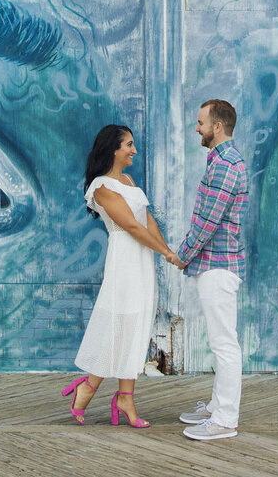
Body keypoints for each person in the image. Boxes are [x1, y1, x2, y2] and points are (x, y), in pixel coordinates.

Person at [62, 124, 184, 427]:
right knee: (119, 324)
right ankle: (88, 387)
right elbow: (130, 226)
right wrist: (166, 254)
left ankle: (126, 397)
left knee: (137, 324)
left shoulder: (128, 180)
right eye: (129, 145)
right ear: (114, 149)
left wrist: (167, 251)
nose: (134, 150)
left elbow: (147, 220)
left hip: (142, 259)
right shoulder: (101, 188)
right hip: (125, 261)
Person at [175, 99, 248, 441]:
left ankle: (225, 421)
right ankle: (217, 406)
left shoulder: (225, 166)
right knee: (221, 341)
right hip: (215, 263)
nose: (197, 128)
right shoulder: (221, 161)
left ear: (217, 127)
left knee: (224, 344)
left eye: (201, 122)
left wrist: (183, 255)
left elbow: (208, 221)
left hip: (218, 264)